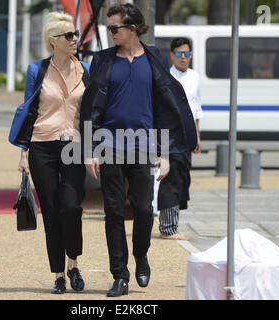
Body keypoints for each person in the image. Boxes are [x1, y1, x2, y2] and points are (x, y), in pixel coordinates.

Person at [80, 4, 197, 297]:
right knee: (114, 212)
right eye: (108, 28)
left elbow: (165, 109)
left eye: (114, 28)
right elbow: (91, 106)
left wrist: (166, 153)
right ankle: (119, 275)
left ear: (132, 28)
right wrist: (88, 148)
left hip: (144, 145)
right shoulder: (103, 60)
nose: (110, 33)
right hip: (109, 144)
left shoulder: (155, 58)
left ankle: (141, 255)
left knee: (144, 209)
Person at [8, 12, 90, 294]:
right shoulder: (36, 70)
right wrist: (22, 152)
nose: (75, 39)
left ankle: (73, 263)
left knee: (71, 206)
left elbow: (92, 112)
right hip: (42, 146)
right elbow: (28, 110)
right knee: (52, 211)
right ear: (53, 41)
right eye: (69, 35)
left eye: (76, 34)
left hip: (74, 146)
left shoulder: (86, 69)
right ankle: (58, 275)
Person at [156, 38, 203, 241]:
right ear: (172, 55)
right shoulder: (166, 78)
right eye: (179, 54)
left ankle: (173, 224)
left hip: (187, 135)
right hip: (171, 134)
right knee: (171, 180)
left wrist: (197, 135)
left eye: (187, 54)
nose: (183, 58)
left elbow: (196, 108)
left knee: (183, 178)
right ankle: (167, 228)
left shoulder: (195, 77)